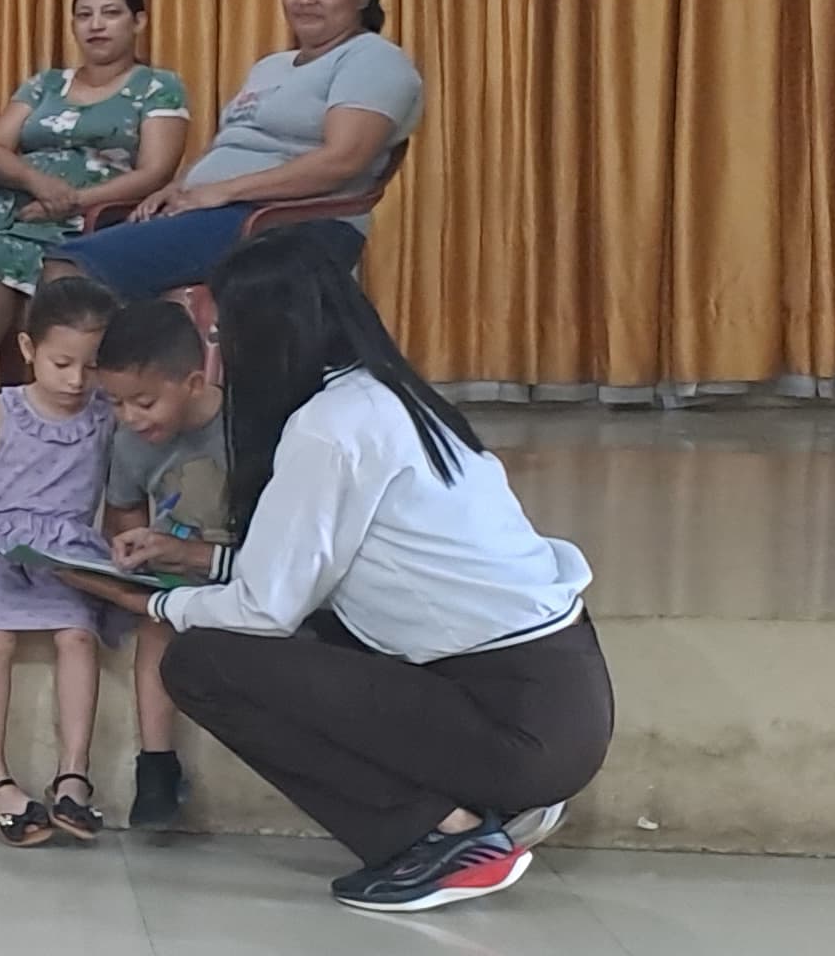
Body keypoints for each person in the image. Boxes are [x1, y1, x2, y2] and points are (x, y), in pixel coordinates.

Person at [76, 228, 605, 913]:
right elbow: (331, 569)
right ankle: (480, 807)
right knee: (312, 632)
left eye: (223, 333)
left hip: (514, 719)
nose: (220, 352)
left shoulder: (329, 427)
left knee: (202, 664)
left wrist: (150, 603)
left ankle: (442, 835)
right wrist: (202, 561)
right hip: (558, 696)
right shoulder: (387, 393)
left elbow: (266, 609)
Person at [0, 0, 191, 458]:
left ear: (139, 21)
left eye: (111, 13)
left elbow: (154, 172)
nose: (96, 25)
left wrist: (73, 200)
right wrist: (38, 182)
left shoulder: (158, 87)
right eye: (84, 15)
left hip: (92, 216)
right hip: (13, 200)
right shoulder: (45, 84)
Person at [50, 0, 424, 296]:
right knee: (68, 264)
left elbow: (342, 161)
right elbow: (231, 145)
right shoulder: (270, 66)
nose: (306, 0)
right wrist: (178, 188)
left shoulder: (372, 58)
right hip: (217, 214)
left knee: (69, 271)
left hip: (281, 225)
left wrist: (223, 191)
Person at [0, 277, 126, 846]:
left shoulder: (106, 414)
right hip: (0, 546)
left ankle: (74, 773)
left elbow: (121, 495)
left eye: (91, 365)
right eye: (62, 363)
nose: (76, 379)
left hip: (70, 549)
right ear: (30, 349)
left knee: (78, 637)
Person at [80, 297, 231, 831]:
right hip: (177, 580)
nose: (129, 417)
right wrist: (129, 550)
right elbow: (124, 513)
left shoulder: (244, 428)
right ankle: (157, 765)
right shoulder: (130, 442)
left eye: (144, 402)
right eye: (116, 403)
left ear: (194, 382)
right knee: (156, 624)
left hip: (248, 572)